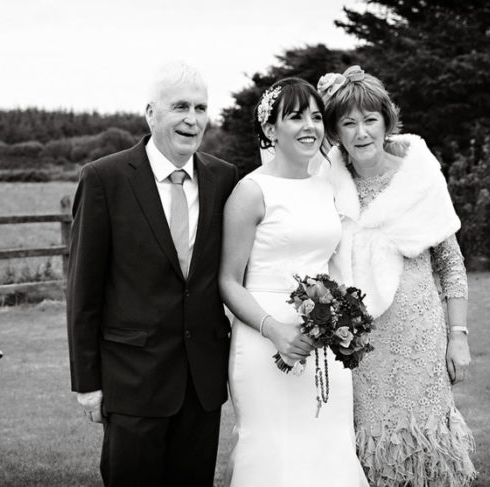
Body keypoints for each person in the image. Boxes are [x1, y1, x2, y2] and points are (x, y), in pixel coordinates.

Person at [66, 61, 238, 487]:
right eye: (180, 106)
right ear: (151, 113)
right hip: (133, 380)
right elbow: (82, 291)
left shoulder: (224, 178)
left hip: (202, 384)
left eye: (200, 107)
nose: (192, 119)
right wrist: (87, 383)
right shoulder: (104, 179)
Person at [318, 65, 477, 486]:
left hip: (419, 336)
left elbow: (451, 264)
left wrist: (458, 335)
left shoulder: (420, 178)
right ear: (335, 132)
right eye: (348, 123)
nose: (361, 132)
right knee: (369, 451)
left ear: (387, 121)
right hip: (359, 345)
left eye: (370, 119)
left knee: (426, 447)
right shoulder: (327, 184)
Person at [219, 77, 369, 486]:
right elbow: (228, 282)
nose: (310, 126)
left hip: (324, 344)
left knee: (328, 445)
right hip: (263, 338)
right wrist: (276, 330)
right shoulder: (250, 191)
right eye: (296, 116)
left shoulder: (327, 187)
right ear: (270, 129)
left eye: (317, 117)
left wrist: (343, 321)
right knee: (272, 449)